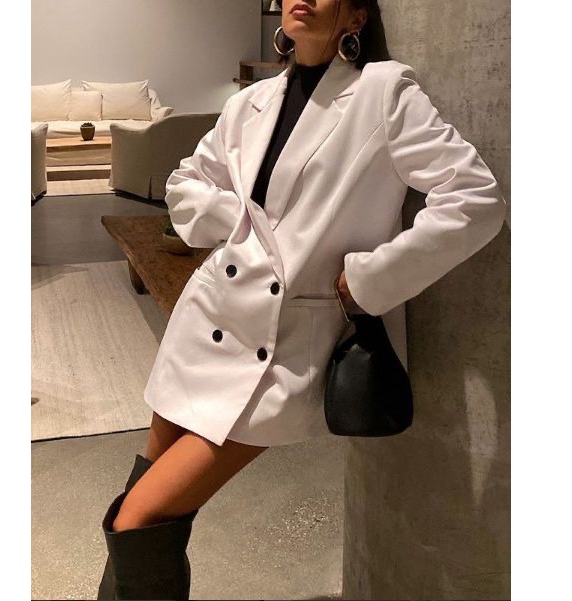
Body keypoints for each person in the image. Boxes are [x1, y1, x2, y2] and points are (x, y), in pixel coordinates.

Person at [96, 1, 508, 599]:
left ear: (355, 16)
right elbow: (186, 182)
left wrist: (370, 281)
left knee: (138, 519)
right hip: (206, 322)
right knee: (144, 508)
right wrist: (236, 219)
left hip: (281, 350)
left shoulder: (382, 93)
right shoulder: (251, 101)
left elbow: (475, 200)